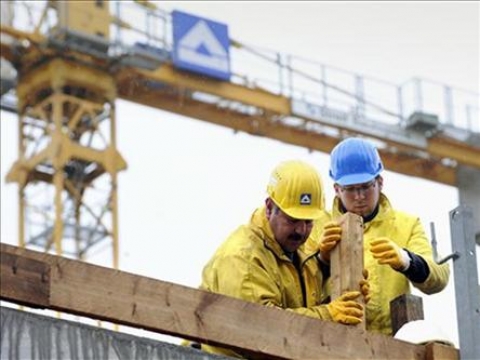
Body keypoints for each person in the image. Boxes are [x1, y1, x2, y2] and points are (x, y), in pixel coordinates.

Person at [191, 160, 369, 358]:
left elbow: (303, 303)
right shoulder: (243, 258)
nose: (301, 231)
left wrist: (332, 277)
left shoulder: (301, 250)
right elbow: (263, 330)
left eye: (308, 221)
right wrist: (328, 315)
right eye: (292, 220)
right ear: (269, 208)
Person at [309, 137, 450, 336]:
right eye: (350, 189)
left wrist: (407, 261)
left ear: (380, 182)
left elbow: (439, 277)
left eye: (366, 186)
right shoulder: (315, 225)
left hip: (393, 347)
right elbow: (299, 288)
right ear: (337, 190)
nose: (359, 196)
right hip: (332, 341)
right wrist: (321, 260)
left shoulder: (406, 225)